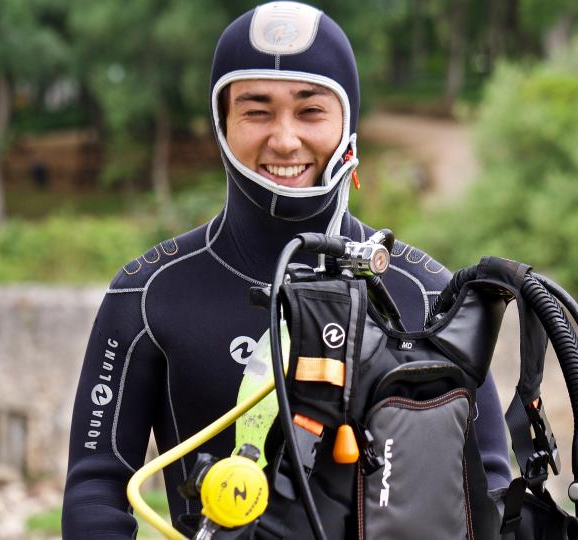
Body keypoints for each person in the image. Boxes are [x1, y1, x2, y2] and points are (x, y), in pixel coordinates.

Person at [61, 2, 511, 537]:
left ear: (348, 122)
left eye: (311, 110)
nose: (284, 139)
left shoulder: (427, 293)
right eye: (256, 110)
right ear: (221, 123)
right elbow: (97, 486)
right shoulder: (149, 292)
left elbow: (489, 486)